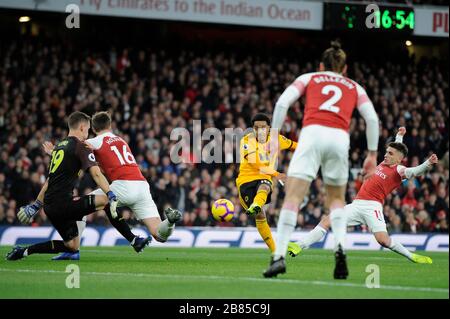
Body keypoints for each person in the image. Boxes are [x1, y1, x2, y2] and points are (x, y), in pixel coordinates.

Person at [263, 41, 380, 278]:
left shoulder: (309, 78)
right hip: (339, 138)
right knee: (336, 199)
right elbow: (372, 119)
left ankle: (278, 258)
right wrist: (372, 154)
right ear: (344, 69)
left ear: (320, 65)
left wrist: (274, 135)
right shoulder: (354, 86)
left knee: (293, 197)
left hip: (312, 134)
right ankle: (340, 250)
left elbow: (283, 102)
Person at [40, 111, 182, 259]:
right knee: (159, 234)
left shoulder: (96, 141)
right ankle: (170, 222)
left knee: (81, 207)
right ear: (110, 125)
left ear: (93, 129)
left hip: (122, 185)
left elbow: (73, 149)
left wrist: (53, 152)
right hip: (141, 186)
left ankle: (73, 251)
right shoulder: (122, 140)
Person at [293, 127, 436, 271]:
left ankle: (411, 256)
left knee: (383, 240)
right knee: (327, 220)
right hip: (356, 204)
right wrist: (399, 135)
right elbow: (397, 148)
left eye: (389, 153)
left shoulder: (399, 170)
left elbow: (415, 171)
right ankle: (299, 245)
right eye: (386, 152)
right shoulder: (385, 163)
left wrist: (427, 164)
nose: (386, 155)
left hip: (372, 207)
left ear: (399, 159)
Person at [6, 111, 119, 261]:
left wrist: (36, 205)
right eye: (87, 129)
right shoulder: (81, 146)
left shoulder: (60, 147)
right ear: (81, 127)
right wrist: (111, 193)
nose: (88, 133)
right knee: (104, 200)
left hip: (50, 207)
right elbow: (97, 174)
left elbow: (49, 181)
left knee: (72, 246)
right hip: (64, 204)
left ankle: (24, 251)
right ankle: (131, 237)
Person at [237, 113, 300, 255]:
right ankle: (275, 249)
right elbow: (256, 164)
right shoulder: (247, 141)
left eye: (263, 127)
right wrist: (278, 175)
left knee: (265, 184)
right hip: (245, 181)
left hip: (264, 178)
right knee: (260, 217)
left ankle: (276, 253)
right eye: (256, 128)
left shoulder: (276, 139)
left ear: (269, 128)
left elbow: (294, 146)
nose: (260, 131)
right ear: (252, 128)